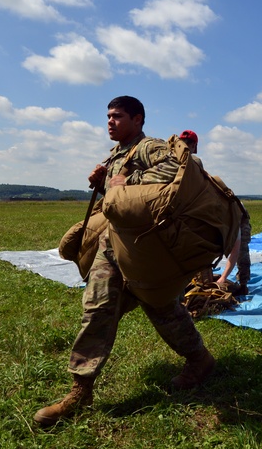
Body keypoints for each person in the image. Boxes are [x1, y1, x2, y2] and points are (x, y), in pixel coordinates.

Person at [34, 96, 216, 427]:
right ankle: (81, 390)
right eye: (108, 116)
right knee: (100, 306)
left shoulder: (148, 147)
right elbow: (125, 203)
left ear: (138, 119)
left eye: (117, 116)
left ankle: (200, 360)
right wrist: (104, 184)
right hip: (115, 245)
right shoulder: (117, 155)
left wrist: (122, 182)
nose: (110, 121)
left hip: (143, 247)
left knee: (161, 307)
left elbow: (176, 169)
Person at [178, 129, 251, 296]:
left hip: (237, 216)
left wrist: (223, 279)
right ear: (195, 146)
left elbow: (236, 250)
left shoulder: (230, 217)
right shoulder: (192, 165)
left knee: (241, 251)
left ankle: (243, 283)